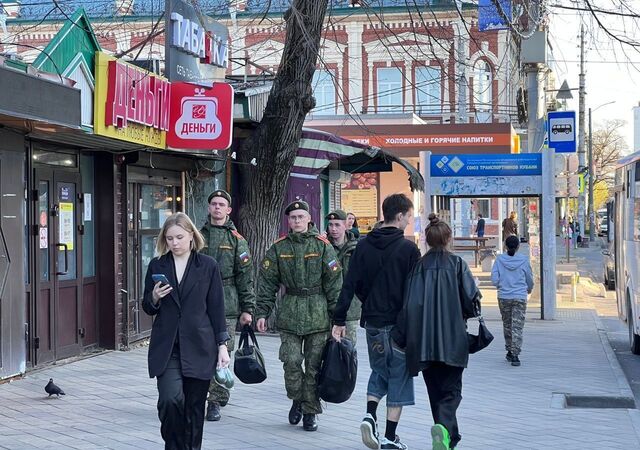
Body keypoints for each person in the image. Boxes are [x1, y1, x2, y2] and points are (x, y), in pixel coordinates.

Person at [332, 194, 421, 450]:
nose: (409, 221)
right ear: (401, 215)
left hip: (372, 322)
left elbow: (350, 284)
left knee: (380, 369)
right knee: (399, 376)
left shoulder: (363, 245)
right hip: (399, 325)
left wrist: (340, 318)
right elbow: (415, 292)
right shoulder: (408, 249)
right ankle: (391, 438)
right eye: (409, 216)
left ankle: (370, 414)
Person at [142, 212, 230, 450]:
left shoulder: (208, 266)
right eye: (169, 238)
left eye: (179, 237)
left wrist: (222, 345)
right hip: (168, 346)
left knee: (193, 408)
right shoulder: (157, 265)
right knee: (170, 400)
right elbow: (147, 307)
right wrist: (154, 297)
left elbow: (216, 308)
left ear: (191, 235)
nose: (174, 243)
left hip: (200, 346)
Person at [392, 213, 480, 450]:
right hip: (453, 340)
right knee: (452, 393)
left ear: (428, 240)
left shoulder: (418, 268)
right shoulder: (458, 264)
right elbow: (472, 301)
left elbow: (408, 305)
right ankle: (446, 433)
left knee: (435, 392)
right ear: (448, 238)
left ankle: (448, 438)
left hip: (423, 342)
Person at [256, 200, 342, 432]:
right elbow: (267, 283)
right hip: (290, 313)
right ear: (289, 221)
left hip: (318, 315)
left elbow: (334, 284)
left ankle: (310, 411)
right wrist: (262, 312)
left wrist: (338, 320)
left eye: (301, 217)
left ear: (309, 218)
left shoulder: (322, 246)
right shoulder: (279, 248)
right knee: (291, 362)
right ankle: (297, 398)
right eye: (293, 218)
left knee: (314, 366)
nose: (297, 221)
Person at [200, 190, 255, 422]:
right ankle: (197, 393)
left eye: (222, 204)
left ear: (229, 210)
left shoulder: (236, 240)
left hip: (228, 301)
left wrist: (247, 309)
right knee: (201, 349)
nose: (218, 208)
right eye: (214, 204)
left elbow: (246, 276)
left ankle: (215, 401)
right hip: (199, 300)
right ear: (209, 207)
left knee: (223, 352)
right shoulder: (197, 236)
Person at [491, 235, 534, 367]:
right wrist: (529, 289)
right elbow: (529, 278)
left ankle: (509, 350)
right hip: (520, 296)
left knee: (507, 324)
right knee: (517, 325)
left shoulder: (499, 260)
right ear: (518, 246)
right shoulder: (524, 260)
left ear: (505, 246)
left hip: (504, 296)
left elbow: (494, 280)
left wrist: (500, 285)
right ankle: (515, 354)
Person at [325, 209, 361, 343]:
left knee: (348, 348)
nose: (333, 229)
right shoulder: (323, 246)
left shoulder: (356, 247)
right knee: (327, 350)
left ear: (346, 225)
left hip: (350, 307)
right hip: (327, 306)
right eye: (330, 225)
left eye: (337, 225)